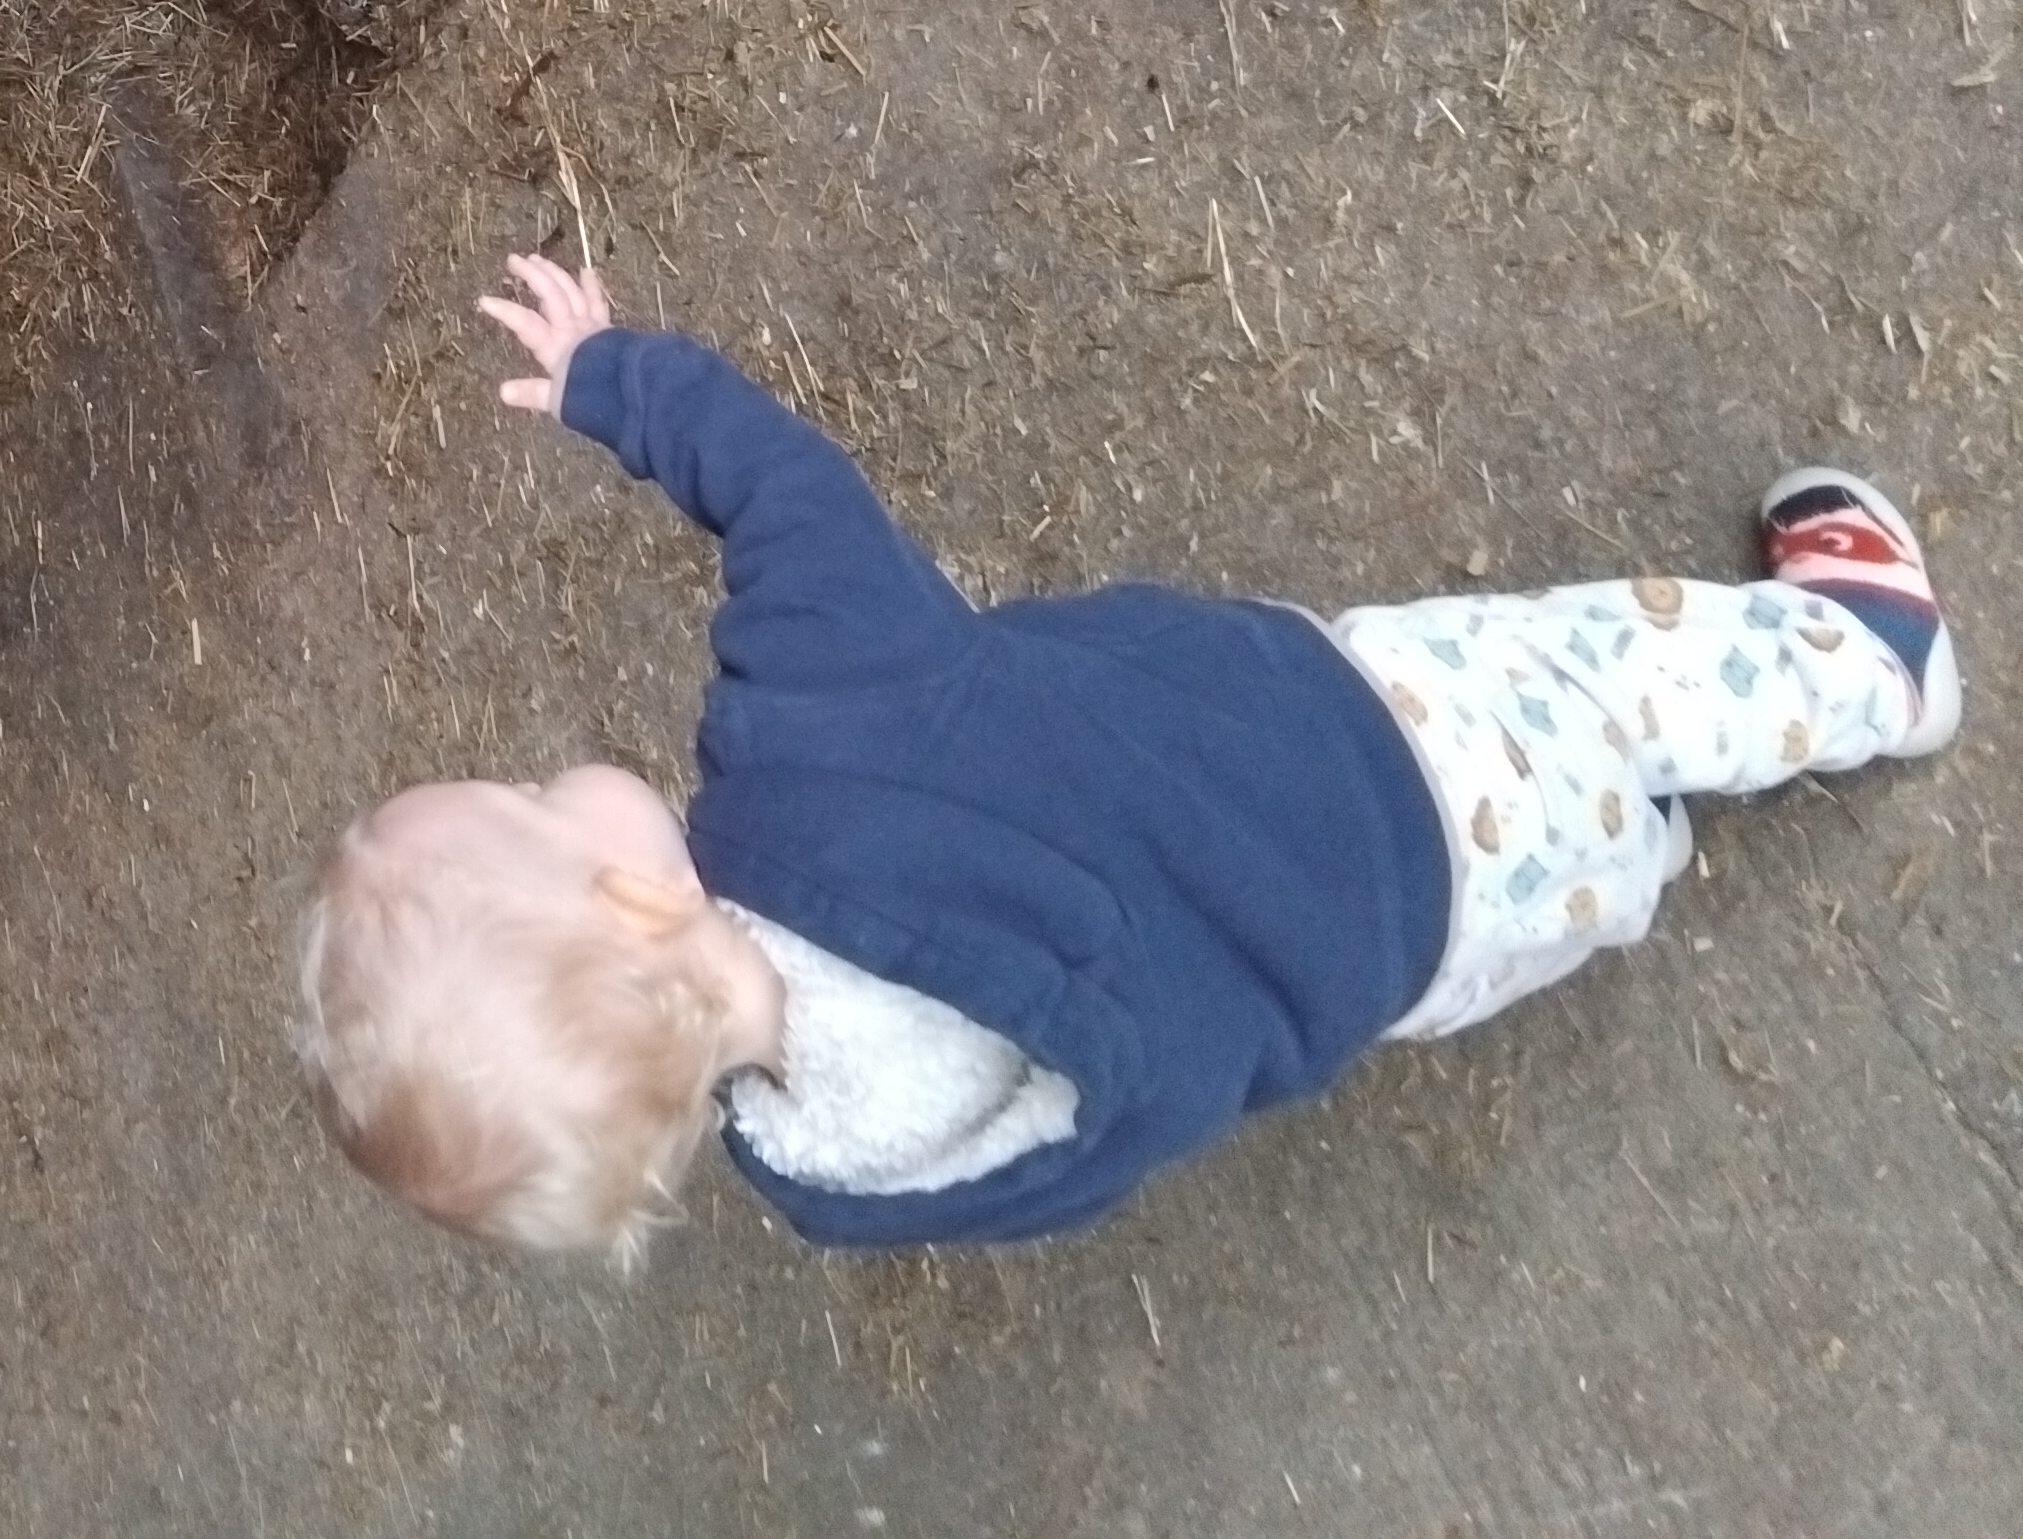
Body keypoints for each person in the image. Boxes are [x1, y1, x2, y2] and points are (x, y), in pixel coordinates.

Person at [291, 253, 1964, 1256]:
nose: (542, 772)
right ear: (633, 897)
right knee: (1609, 679)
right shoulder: (815, 725)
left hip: (1398, 961)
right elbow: (789, 499)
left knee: (1581, 848)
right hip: (1370, 746)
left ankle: (1639, 851)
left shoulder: (841, 1167)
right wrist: (617, 378)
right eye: (524, 799)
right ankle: (1873, 660)